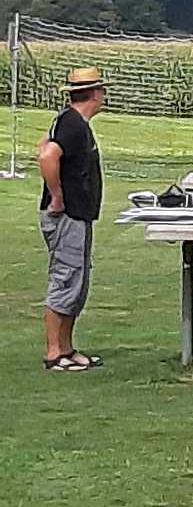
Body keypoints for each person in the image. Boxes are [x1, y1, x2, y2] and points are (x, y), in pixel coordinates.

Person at [37, 65, 107, 372]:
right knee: (65, 278)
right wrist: (57, 196)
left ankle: (67, 348)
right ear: (94, 94)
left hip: (78, 215)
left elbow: (42, 145)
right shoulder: (73, 125)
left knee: (76, 281)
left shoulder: (70, 121)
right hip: (68, 215)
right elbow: (46, 155)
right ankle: (54, 352)